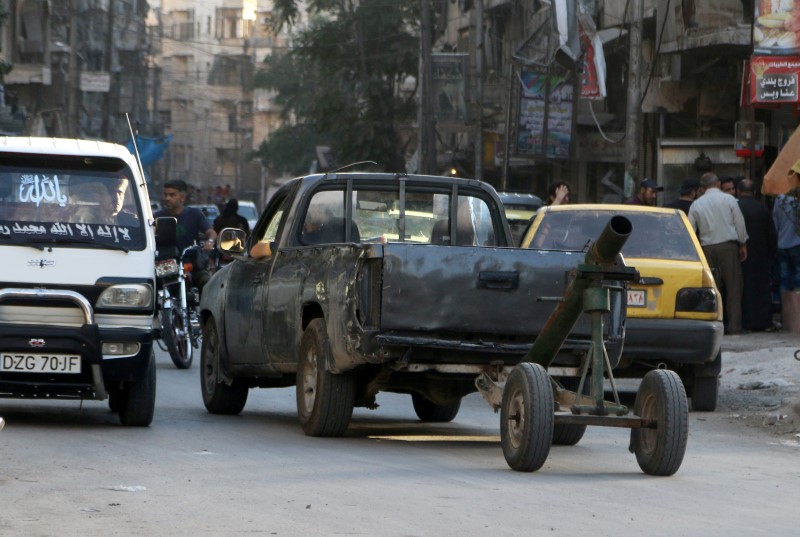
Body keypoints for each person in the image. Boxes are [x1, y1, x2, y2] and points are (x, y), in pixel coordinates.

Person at [688, 172, 749, 334]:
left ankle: (715, 325)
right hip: (728, 248)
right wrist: (742, 243)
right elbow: (739, 223)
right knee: (734, 287)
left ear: (702, 188)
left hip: (707, 249)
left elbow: (690, 230)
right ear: (718, 184)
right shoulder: (729, 200)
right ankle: (734, 326)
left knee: (713, 289)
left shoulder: (696, 205)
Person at [154, 179, 217, 288]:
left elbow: (211, 232)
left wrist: (210, 241)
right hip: (166, 265)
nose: (167, 198)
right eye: (166, 195)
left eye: (172, 195)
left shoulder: (194, 214)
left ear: (182, 198)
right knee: (151, 285)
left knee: (206, 282)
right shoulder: (157, 217)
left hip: (191, 264)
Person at [737, 179, 778, 331]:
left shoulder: (735, 207)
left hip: (739, 254)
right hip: (760, 254)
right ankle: (762, 322)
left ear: (738, 191)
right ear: (754, 192)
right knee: (760, 290)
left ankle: (744, 321)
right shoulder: (763, 209)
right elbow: (771, 234)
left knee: (741, 289)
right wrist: (772, 254)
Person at [773, 160, 800, 295]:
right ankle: (797, 312)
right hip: (797, 244)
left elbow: (775, 223)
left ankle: (786, 311)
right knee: (798, 278)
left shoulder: (780, 200)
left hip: (782, 244)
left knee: (784, 278)